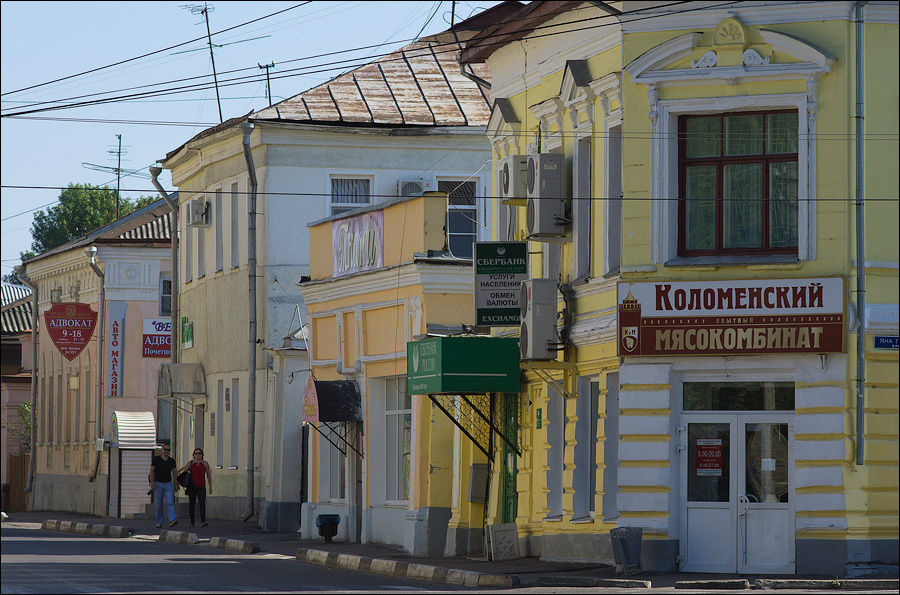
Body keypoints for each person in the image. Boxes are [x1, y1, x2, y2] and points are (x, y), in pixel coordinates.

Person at [178, 448, 213, 527]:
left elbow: (208, 475)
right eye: (196, 453)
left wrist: (210, 487)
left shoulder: (205, 464)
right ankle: (192, 522)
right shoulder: (190, 463)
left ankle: (203, 521)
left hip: (201, 486)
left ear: (202, 455)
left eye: (199, 453)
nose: (197, 455)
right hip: (192, 487)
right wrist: (181, 483)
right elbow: (184, 474)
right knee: (192, 504)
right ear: (193, 455)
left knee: (202, 503)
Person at [149, 444, 179, 528]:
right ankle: (159, 522)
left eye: (168, 450)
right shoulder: (156, 459)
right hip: (158, 484)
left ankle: (172, 520)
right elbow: (151, 471)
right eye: (165, 449)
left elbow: (175, 472)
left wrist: (176, 483)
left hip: (168, 484)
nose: (167, 451)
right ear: (162, 449)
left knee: (170, 502)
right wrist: (152, 482)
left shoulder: (171, 460)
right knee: (158, 505)